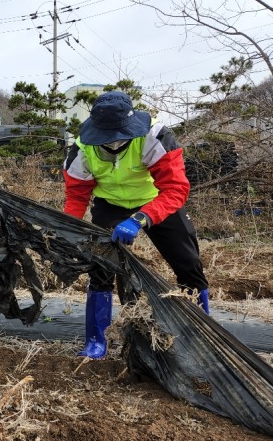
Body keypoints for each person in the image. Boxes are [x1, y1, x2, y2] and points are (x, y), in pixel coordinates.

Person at [63, 90, 209, 360]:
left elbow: (175, 189)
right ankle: (97, 340)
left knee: (188, 264)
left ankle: (202, 334)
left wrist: (140, 218)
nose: (114, 141)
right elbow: (76, 195)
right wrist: (70, 230)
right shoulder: (83, 147)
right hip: (110, 204)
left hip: (157, 201)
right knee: (101, 268)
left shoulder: (155, 137)